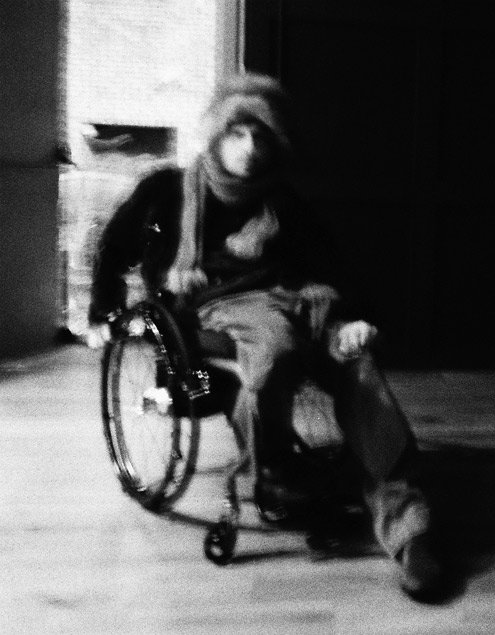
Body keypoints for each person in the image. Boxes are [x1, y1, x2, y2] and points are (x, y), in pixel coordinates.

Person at [87, 73, 443, 601]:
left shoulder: (284, 203)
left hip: (293, 304)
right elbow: (115, 247)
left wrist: (352, 319)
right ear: (216, 135)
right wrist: (103, 311)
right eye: (237, 133)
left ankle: (410, 527)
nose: (249, 148)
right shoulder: (167, 191)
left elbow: (332, 267)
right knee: (271, 352)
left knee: (358, 365)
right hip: (206, 317)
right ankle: (276, 467)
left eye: (261, 136)